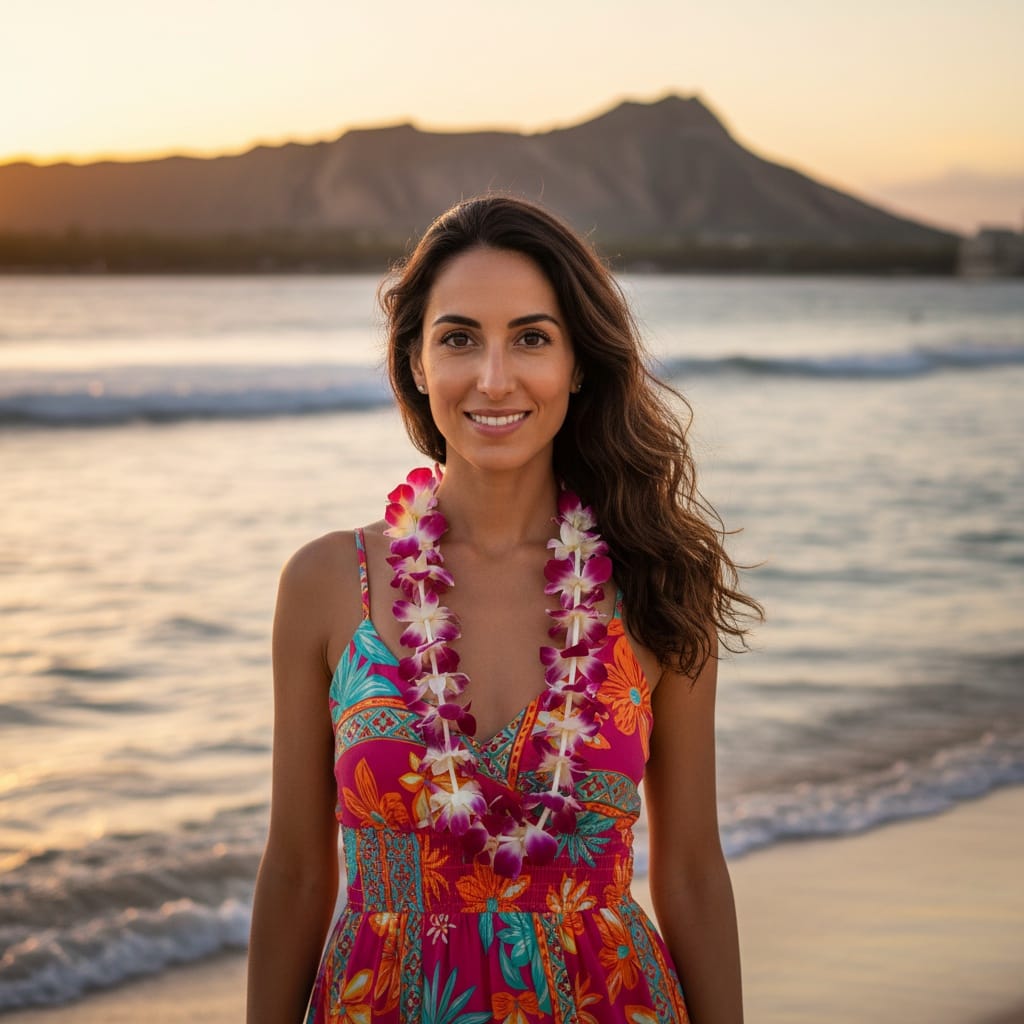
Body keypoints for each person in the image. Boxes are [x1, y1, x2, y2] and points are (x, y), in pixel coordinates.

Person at [247, 195, 760, 1023]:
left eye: (531, 337)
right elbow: (299, 871)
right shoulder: (328, 584)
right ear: (415, 362)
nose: (494, 378)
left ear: (578, 362)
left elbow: (693, 868)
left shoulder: (656, 581)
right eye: (458, 338)